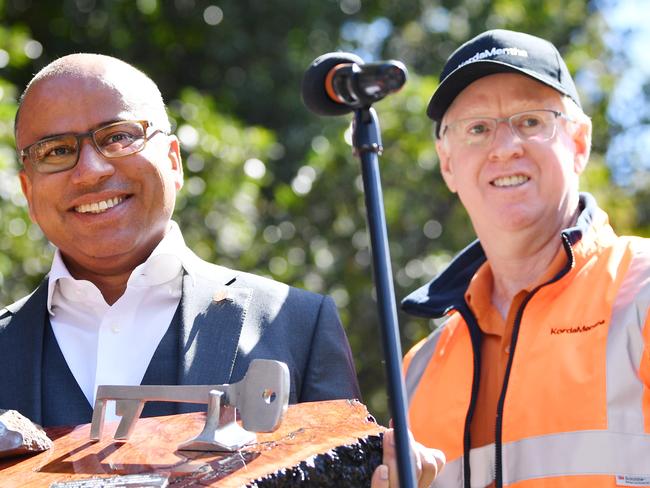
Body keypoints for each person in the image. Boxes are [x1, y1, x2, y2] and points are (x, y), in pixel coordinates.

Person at [0, 53, 360, 428]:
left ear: (174, 161)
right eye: (56, 151)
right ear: (28, 191)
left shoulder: (298, 325)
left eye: (119, 137)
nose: (90, 172)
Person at [373, 29, 650, 487]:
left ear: (579, 143)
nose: (504, 148)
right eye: (477, 128)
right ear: (447, 164)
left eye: (530, 121)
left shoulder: (641, 290)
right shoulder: (417, 371)